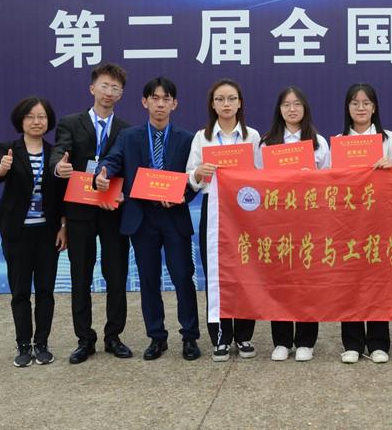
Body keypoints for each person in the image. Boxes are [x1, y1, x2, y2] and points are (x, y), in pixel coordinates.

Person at [95, 77, 201, 361]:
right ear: (145, 102)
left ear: (175, 104)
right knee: (149, 279)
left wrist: (182, 196)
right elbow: (112, 160)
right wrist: (102, 174)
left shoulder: (188, 139)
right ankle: (157, 337)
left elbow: (194, 177)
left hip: (174, 217)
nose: (160, 104)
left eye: (166, 99)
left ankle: (190, 337)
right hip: (142, 218)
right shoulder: (129, 136)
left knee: (183, 277)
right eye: (155, 98)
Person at [50, 63, 133, 364]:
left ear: (121, 94)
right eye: (104, 85)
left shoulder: (126, 129)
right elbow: (60, 152)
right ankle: (84, 339)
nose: (109, 92)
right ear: (92, 88)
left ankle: (114, 336)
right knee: (80, 275)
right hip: (80, 212)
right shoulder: (71, 123)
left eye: (115, 88)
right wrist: (58, 167)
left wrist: (124, 193)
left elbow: (129, 169)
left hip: (112, 211)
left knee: (116, 274)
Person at [186, 79, 261, 363]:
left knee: (246, 271)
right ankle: (220, 337)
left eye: (231, 98)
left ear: (240, 103)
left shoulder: (252, 136)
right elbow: (190, 177)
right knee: (216, 272)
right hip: (214, 209)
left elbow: (262, 173)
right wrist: (199, 173)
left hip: (245, 210)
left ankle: (244, 335)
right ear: (212, 104)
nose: (226, 104)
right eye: (220, 99)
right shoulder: (202, 137)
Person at [0, 96, 66, 367]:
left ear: (48, 121)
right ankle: (23, 345)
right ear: (21, 121)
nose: (36, 121)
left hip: (47, 233)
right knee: (20, 291)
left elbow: (62, 195)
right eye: (30, 117)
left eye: (41, 116)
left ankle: (41, 344)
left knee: (45, 290)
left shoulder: (55, 153)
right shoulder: (8, 148)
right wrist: (2, 168)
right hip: (17, 233)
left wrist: (64, 227)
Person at [259, 86, 331, 362]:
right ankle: (281, 340)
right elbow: (257, 181)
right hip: (277, 222)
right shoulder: (267, 143)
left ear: (305, 108)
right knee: (279, 280)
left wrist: (311, 177)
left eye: (297, 104)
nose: (292, 109)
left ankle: (305, 340)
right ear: (279, 109)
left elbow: (330, 180)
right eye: (287, 104)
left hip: (309, 221)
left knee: (307, 282)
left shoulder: (318, 142)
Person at [338, 83, 392, 364]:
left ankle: (378, 342)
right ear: (348, 108)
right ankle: (351, 343)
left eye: (366, 103)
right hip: (348, 222)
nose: (360, 108)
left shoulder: (388, 139)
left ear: (374, 108)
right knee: (350, 281)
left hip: (379, 220)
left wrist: (391, 166)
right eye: (355, 103)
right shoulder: (339, 141)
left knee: (377, 281)